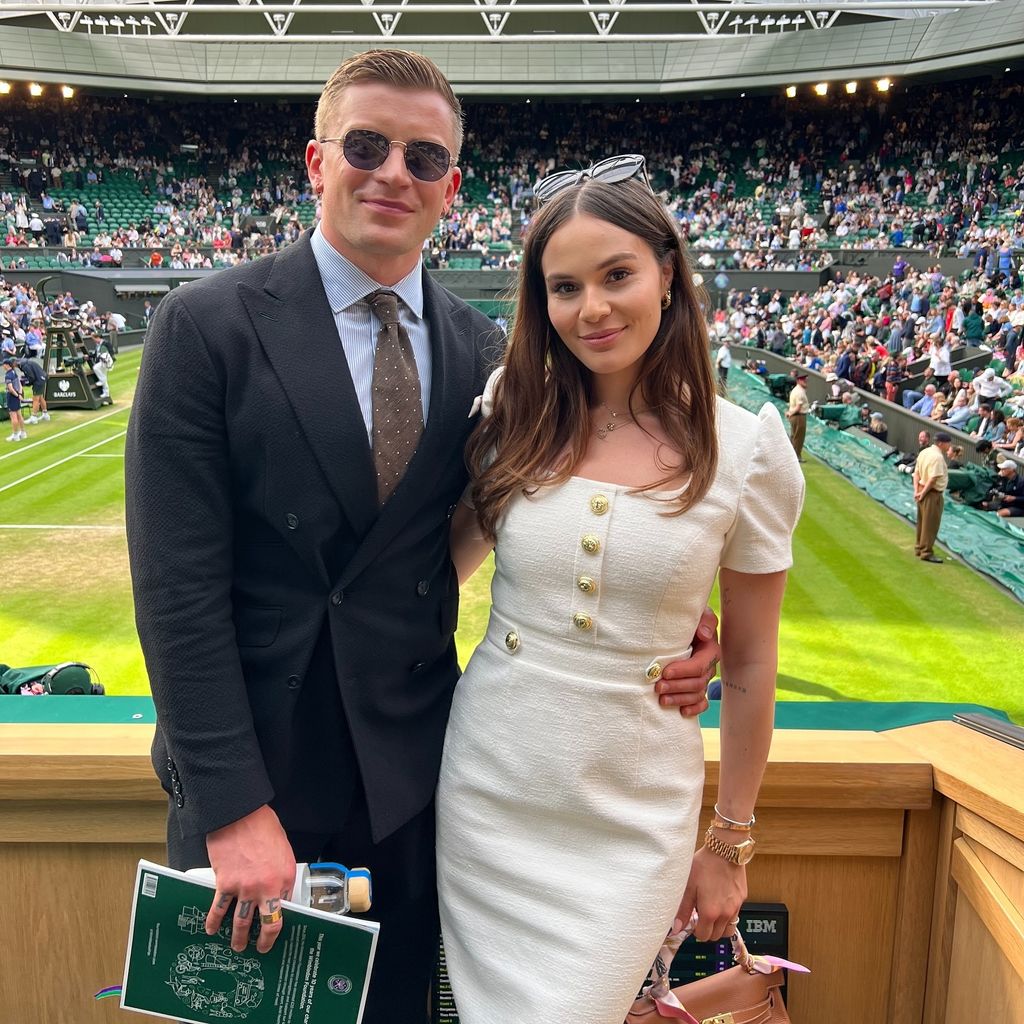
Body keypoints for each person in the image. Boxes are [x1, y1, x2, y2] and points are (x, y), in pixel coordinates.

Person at [125, 52, 714, 1024]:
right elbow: (175, 588)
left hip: (417, 787)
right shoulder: (205, 326)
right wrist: (231, 809)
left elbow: (556, 505)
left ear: (451, 187)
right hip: (255, 793)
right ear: (317, 162)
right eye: (366, 145)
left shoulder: (488, 353)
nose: (393, 171)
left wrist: (681, 619)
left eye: (423, 156)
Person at [436, 169, 804, 1023]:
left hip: (634, 812)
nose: (592, 308)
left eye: (616, 275)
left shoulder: (746, 451)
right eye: (564, 287)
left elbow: (749, 662)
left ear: (668, 274)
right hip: (492, 787)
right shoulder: (512, 414)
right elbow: (437, 574)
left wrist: (730, 842)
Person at [912, 430, 951, 563]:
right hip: (931, 493)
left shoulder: (924, 452)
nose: (949, 446)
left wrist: (916, 491)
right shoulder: (937, 457)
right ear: (941, 443)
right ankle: (926, 552)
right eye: (947, 443)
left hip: (922, 490)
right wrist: (922, 493)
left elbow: (916, 473)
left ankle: (919, 547)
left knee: (922, 522)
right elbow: (933, 479)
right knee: (930, 525)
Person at [786, 370, 810, 461]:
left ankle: (792, 456)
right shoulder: (799, 392)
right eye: (804, 380)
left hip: (796, 415)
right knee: (798, 437)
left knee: (794, 436)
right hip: (798, 416)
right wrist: (790, 413)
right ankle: (796, 456)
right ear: (799, 381)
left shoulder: (797, 390)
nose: (806, 382)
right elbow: (798, 407)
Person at [18, 355, 48, 424]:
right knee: (40, 397)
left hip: (38, 381)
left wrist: (26, 383)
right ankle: (45, 414)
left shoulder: (25, 366)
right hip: (42, 378)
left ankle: (34, 417)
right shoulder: (28, 363)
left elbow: (32, 378)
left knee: (35, 399)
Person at [3, 356, 26, 442]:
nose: (3, 367)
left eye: (4, 365)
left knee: (13, 417)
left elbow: (10, 388)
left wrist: (16, 395)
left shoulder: (8, 375)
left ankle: (15, 435)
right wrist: (19, 394)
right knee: (19, 415)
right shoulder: (14, 372)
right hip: (17, 396)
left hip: (12, 397)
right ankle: (23, 433)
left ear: (7, 365)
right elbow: (19, 384)